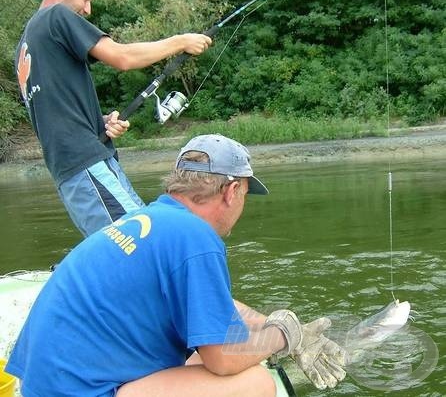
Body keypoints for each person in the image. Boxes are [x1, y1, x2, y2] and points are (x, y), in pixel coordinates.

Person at [6, 134, 347, 397]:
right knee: (253, 381)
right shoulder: (196, 237)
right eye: (244, 193)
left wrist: (278, 325)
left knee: (216, 355)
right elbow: (224, 358)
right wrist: (282, 337)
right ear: (230, 191)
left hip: (42, 385)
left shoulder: (150, 219)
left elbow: (217, 308)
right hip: (82, 392)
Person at [16, 0, 212, 237]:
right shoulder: (55, 17)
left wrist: (101, 121)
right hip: (84, 161)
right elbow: (122, 57)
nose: (87, 9)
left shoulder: (25, 46)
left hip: (73, 164)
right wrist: (182, 41)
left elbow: (54, 109)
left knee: (134, 241)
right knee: (140, 243)